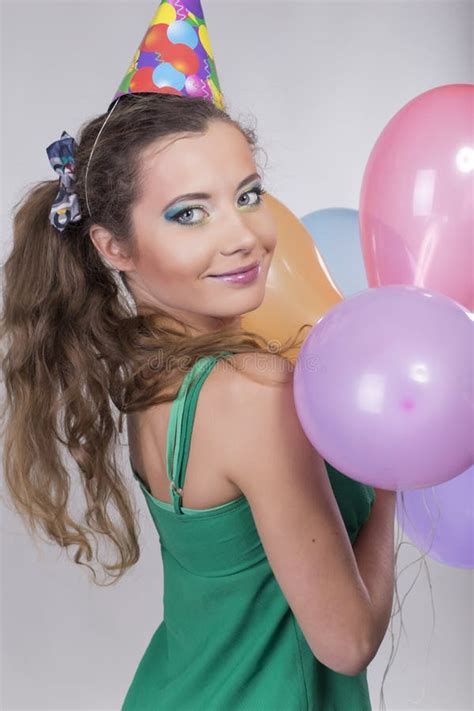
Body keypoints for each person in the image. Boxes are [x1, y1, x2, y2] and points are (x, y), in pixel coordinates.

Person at [1, 2, 396, 709]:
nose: (243, 234)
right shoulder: (254, 390)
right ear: (113, 247)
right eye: (190, 212)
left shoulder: (151, 370)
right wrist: (394, 480)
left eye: (247, 195)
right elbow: (346, 640)